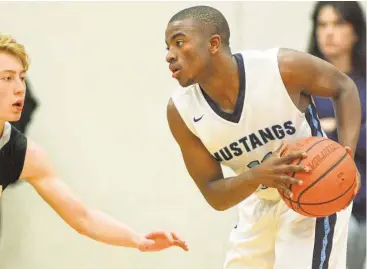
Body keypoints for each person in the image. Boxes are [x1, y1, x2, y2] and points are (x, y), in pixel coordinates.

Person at [165, 5, 361, 269]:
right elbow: (215, 195)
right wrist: (258, 176)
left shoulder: (280, 68)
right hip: (257, 202)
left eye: (179, 42)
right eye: (167, 47)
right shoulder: (181, 111)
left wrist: (347, 152)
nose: (169, 55)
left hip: (312, 194)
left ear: (213, 43)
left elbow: (344, 87)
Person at [0, 33, 188, 253]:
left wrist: (137, 240)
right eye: (7, 78)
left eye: (22, 77)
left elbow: (84, 217)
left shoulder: (24, 154)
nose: (20, 88)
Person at [307, 2, 366, 268]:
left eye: (339, 23)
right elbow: (304, 143)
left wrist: (331, 129)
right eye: (323, 24)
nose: (329, 32)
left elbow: (324, 140)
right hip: (325, 202)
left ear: (356, 31)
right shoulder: (303, 84)